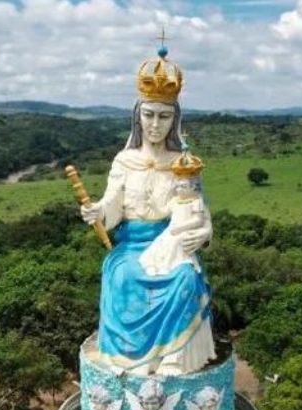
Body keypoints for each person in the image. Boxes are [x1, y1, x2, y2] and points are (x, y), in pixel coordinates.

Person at [81, 44, 216, 377]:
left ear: (175, 119)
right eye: (149, 114)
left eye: (164, 115)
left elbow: (199, 209)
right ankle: (131, 360)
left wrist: (203, 233)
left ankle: (173, 358)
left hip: (170, 244)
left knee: (186, 276)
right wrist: (97, 211)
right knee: (123, 274)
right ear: (138, 116)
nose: (156, 124)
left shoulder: (183, 164)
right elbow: (112, 205)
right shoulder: (124, 160)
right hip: (132, 247)